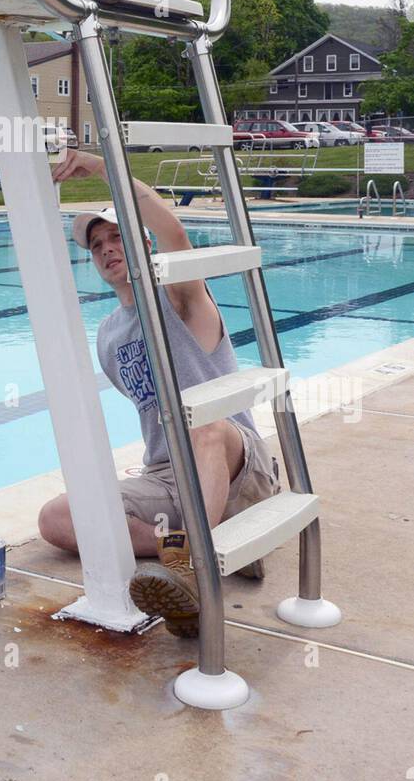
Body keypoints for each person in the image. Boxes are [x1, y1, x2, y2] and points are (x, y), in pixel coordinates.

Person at [38, 148, 280, 637]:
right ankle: (202, 543)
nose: (107, 248)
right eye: (97, 244)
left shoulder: (181, 298)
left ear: (144, 246)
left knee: (203, 425)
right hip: (168, 476)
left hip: (234, 457)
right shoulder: (108, 335)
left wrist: (105, 167)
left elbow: (176, 234)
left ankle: (193, 570)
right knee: (58, 518)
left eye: (118, 237)